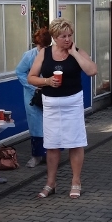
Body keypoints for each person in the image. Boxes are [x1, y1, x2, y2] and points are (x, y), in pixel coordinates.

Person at [27, 17, 98, 199]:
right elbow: (31, 77)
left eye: (69, 35)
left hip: (72, 103)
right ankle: (51, 183)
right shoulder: (44, 53)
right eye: (63, 36)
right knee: (52, 145)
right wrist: (47, 81)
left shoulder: (77, 51)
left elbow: (92, 70)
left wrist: (74, 53)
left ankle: (76, 181)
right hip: (51, 105)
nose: (67, 39)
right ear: (54, 37)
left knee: (75, 143)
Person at [15, 27, 53, 168]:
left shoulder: (53, 54)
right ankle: (36, 156)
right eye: (40, 46)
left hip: (50, 94)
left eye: (45, 46)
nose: (42, 49)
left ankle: (50, 155)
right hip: (33, 97)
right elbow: (19, 72)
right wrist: (33, 86)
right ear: (36, 43)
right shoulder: (29, 56)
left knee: (51, 124)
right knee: (36, 125)